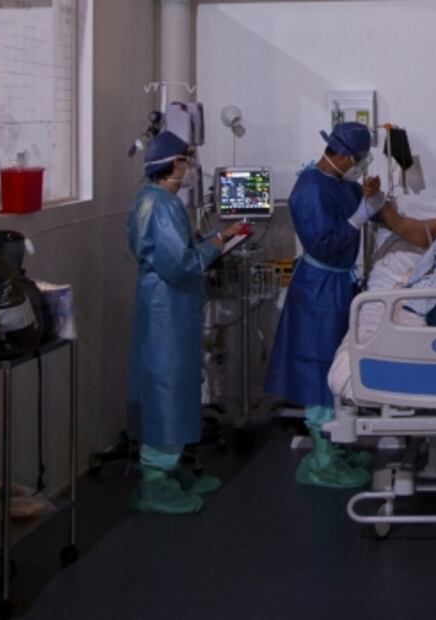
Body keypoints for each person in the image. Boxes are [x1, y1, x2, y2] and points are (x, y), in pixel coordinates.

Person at [126, 131, 242, 515]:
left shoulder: (150, 200)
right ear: (175, 164)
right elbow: (181, 264)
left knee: (171, 381)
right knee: (167, 385)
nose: (190, 168)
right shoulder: (162, 206)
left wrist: (218, 237)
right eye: (187, 161)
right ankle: (155, 481)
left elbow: (174, 250)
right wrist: (215, 246)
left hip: (165, 303)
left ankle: (171, 468)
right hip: (167, 307)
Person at [263, 122, 384, 488]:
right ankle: (321, 458)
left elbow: (362, 203)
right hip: (318, 288)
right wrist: (360, 217)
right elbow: (324, 244)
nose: (361, 166)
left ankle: (335, 442)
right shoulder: (309, 189)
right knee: (318, 367)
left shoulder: (340, 183)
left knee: (337, 362)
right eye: (360, 160)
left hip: (339, 285)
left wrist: (371, 196)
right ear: (345, 156)